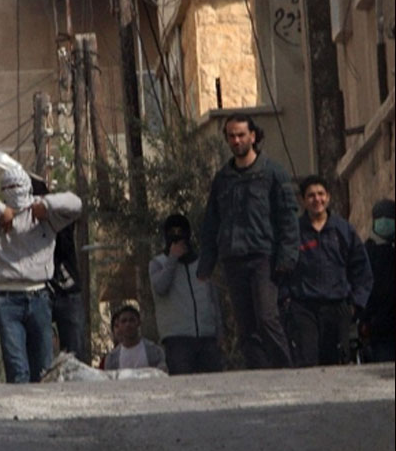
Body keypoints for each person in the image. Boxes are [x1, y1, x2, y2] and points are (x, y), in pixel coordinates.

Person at [0, 166, 82, 383]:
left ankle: (44, 404)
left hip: (39, 296)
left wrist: (45, 204)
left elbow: (76, 204)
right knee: (17, 368)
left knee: (44, 368)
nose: (14, 190)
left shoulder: (45, 217)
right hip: (7, 299)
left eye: (18, 185)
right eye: (9, 187)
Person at [198, 113, 298, 369]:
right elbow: (211, 222)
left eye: (241, 135)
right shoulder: (223, 179)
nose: (236, 140)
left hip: (263, 256)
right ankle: (259, 375)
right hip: (233, 258)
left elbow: (288, 217)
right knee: (246, 325)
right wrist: (206, 263)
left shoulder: (273, 173)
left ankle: (285, 370)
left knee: (266, 317)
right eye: (231, 136)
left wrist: (287, 257)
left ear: (253, 136)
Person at [282, 175, 373, 366]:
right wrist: (286, 301)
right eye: (311, 195)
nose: (317, 199)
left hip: (337, 308)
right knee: (307, 364)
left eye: (321, 194)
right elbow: (282, 269)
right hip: (304, 309)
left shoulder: (344, 230)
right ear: (302, 200)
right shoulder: (294, 232)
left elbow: (362, 270)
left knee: (338, 364)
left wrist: (356, 304)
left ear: (328, 197)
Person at [149, 214, 223, 375]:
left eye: (180, 231)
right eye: (172, 232)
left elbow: (213, 299)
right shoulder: (158, 264)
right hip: (177, 339)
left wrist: (219, 331)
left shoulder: (201, 263)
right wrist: (172, 259)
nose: (177, 236)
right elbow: (160, 287)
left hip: (207, 337)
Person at [31, 176, 86, 362]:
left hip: (67, 290)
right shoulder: (23, 227)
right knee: (41, 354)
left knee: (74, 353)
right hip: (39, 293)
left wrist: (46, 206)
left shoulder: (60, 217)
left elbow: (74, 204)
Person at [359, 199, 394, 362]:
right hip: (378, 324)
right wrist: (364, 319)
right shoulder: (368, 251)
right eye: (380, 218)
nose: (384, 222)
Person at [103, 305, 167, 371]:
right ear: (119, 325)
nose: (128, 324)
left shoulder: (155, 351)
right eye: (124, 321)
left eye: (132, 320)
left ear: (138, 322)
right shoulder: (111, 359)